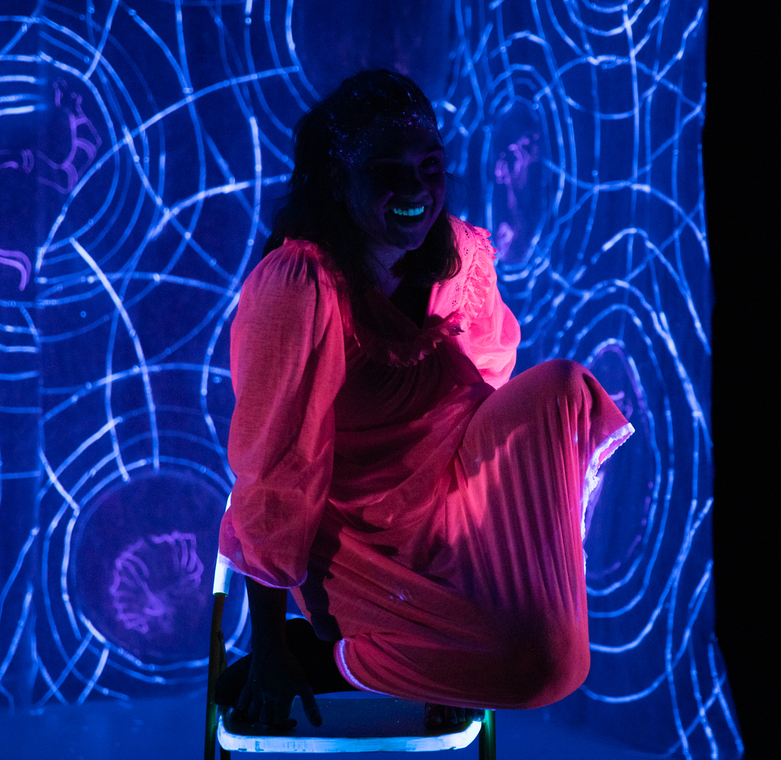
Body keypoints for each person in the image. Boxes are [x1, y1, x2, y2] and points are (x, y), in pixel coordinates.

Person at [215, 70, 633, 732]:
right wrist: (268, 648)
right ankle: (328, 659)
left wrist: (495, 536)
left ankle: (459, 637)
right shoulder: (302, 283)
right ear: (339, 182)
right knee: (546, 666)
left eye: (429, 167)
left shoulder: (462, 255)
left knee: (563, 387)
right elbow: (274, 471)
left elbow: (488, 401)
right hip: (363, 544)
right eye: (388, 172)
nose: (415, 189)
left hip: (452, 512)